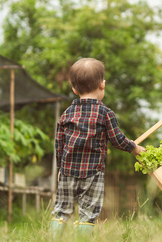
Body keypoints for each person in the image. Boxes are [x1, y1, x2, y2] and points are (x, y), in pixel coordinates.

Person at [50, 58, 145, 236]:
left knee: (61, 210)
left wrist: (60, 169)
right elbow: (117, 140)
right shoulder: (105, 113)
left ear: (74, 89)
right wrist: (135, 148)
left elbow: (59, 144)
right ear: (102, 84)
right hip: (92, 173)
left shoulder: (66, 114)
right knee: (88, 214)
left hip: (67, 171)